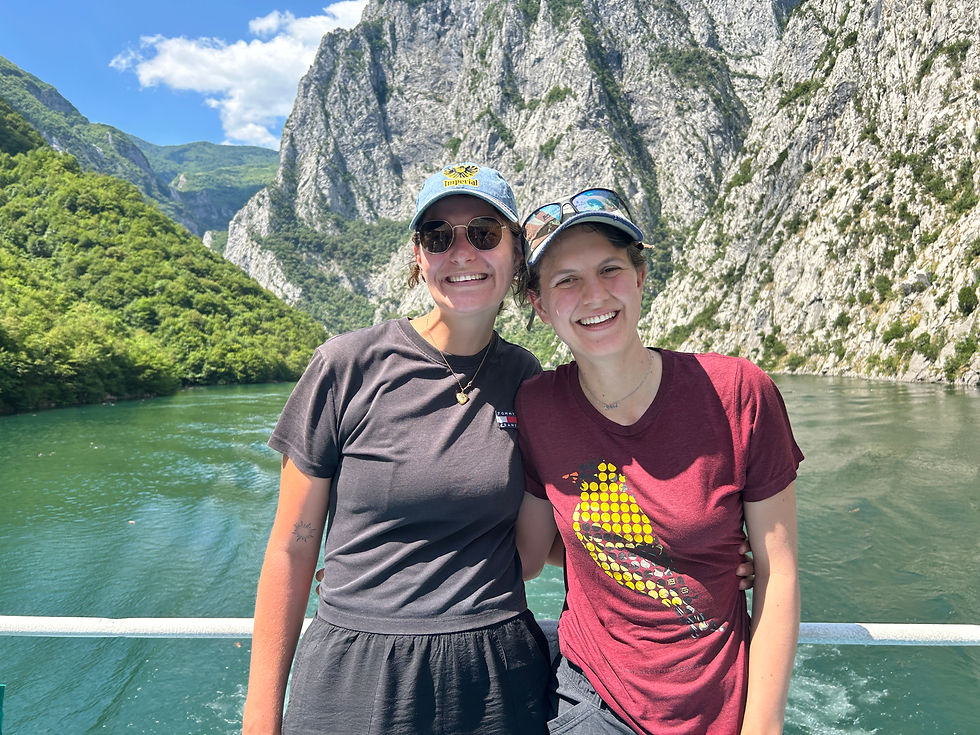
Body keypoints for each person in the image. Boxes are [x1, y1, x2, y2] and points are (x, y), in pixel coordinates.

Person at [242, 163, 553, 734]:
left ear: (516, 253)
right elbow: (291, 547)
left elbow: (536, 542)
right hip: (356, 669)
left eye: (484, 232)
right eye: (439, 237)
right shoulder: (347, 365)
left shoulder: (526, 378)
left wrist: (693, 556)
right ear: (418, 256)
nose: (462, 252)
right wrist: (261, 718)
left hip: (497, 673)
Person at [513, 188, 802, 735]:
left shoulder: (739, 393)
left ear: (641, 276)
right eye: (565, 280)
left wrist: (763, 726)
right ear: (540, 305)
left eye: (610, 268)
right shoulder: (537, 407)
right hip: (595, 701)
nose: (594, 295)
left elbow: (777, 571)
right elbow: (529, 554)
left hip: (722, 701)